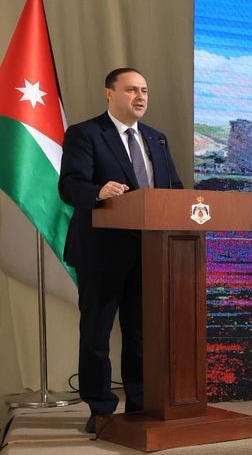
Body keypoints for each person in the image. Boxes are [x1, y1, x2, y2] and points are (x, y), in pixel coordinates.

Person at [58, 68, 183, 434]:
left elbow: (174, 189)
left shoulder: (157, 139)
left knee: (140, 334)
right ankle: (100, 408)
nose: (140, 96)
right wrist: (99, 192)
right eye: (131, 90)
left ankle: (141, 403)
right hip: (101, 252)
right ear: (109, 93)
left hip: (150, 251)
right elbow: (70, 187)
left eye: (144, 90)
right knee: (96, 334)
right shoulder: (85, 134)